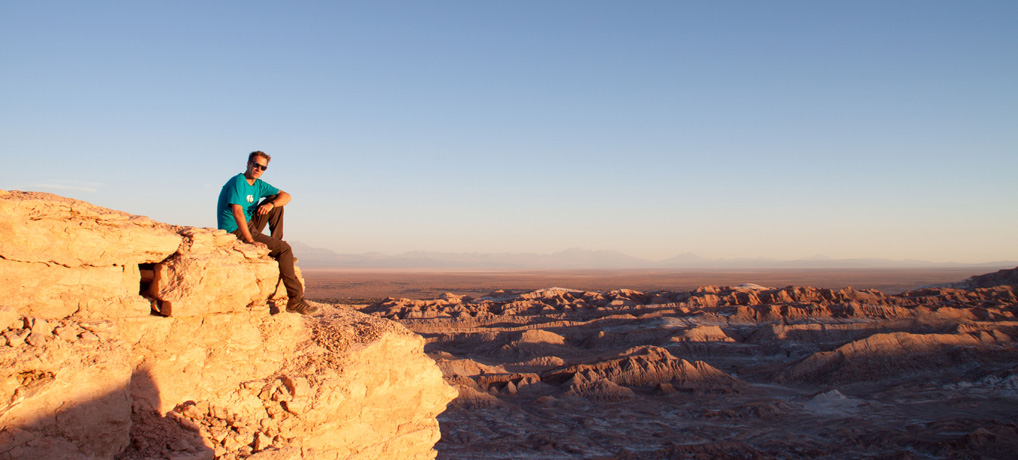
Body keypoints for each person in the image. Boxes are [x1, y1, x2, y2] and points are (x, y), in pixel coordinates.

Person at [216, 151, 318, 315]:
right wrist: (249, 240)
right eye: (256, 165)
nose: (258, 169)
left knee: (276, 203)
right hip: (235, 229)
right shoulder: (238, 182)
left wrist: (271, 205)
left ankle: (275, 246)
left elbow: (286, 196)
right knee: (285, 249)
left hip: (249, 223)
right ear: (248, 164)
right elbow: (237, 212)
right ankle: (295, 300)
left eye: (262, 167)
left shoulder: (258, 184)